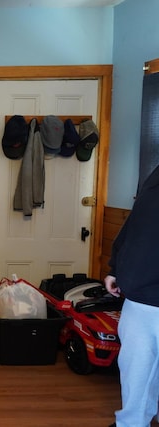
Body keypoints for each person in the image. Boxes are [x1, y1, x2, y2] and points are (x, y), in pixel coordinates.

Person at [105, 163, 159, 427]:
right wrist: (116, 266)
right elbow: (136, 222)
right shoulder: (156, 174)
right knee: (136, 374)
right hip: (138, 298)